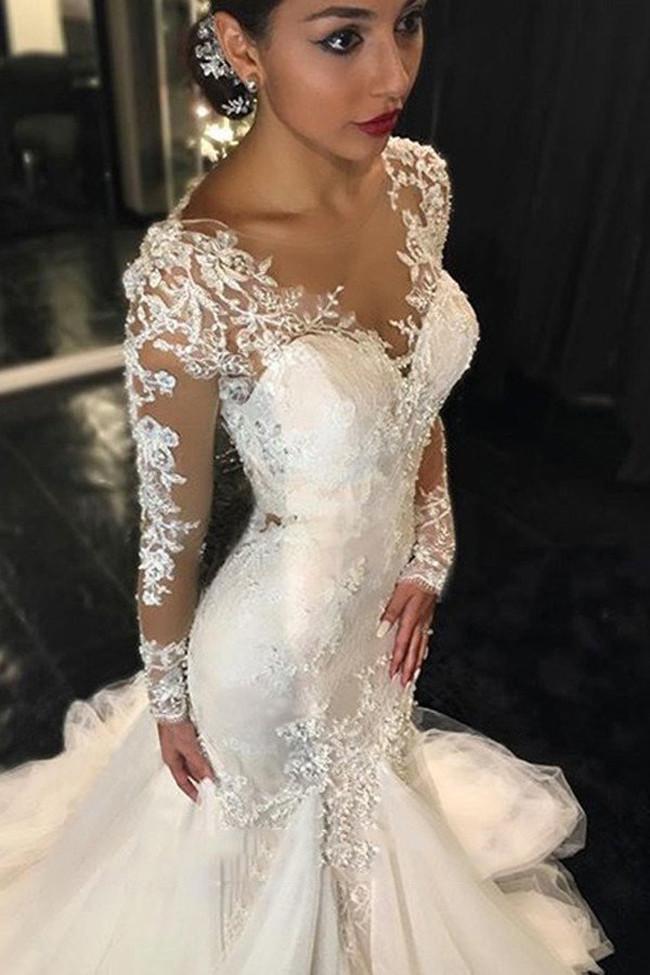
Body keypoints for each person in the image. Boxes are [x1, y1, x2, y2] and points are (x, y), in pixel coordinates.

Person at [0, 2, 615, 972]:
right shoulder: (192, 273)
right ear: (240, 46)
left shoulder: (416, 182)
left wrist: (432, 549)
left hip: (376, 636)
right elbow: (170, 532)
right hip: (272, 656)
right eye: (341, 38)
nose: (393, 76)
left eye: (407, 23)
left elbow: (413, 398)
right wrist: (171, 701)